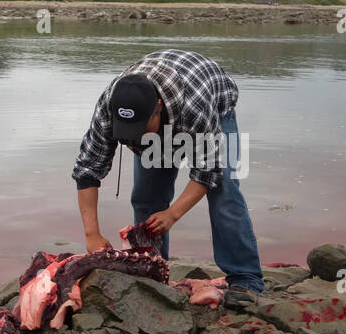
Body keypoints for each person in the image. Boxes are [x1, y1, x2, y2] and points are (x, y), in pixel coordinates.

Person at [71, 49, 264, 310]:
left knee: (224, 191)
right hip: (168, 110)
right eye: (129, 131)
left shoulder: (193, 106)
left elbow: (208, 171)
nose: (137, 138)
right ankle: (154, 271)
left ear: (157, 108)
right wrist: (92, 234)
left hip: (213, 101)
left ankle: (245, 278)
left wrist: (173, 213)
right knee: (146, 197)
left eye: (141, 129)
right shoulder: (109, 105)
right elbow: (87, 170)